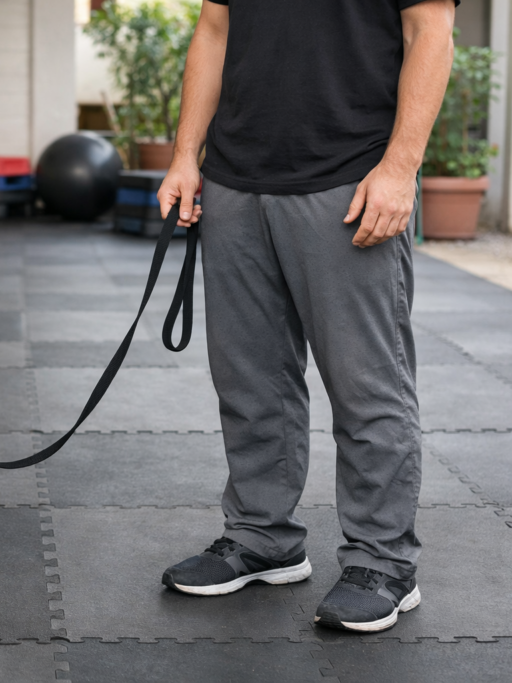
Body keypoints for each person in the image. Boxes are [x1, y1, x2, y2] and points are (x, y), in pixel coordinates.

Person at [157, 0, 457, 633]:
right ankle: (262, 538)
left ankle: (383, 562)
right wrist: (186, 155)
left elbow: (430, 30)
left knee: (366, 384)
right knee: (248, 378)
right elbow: (215, 30)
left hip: (348, 178)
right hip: (235, 180)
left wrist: (400, 169)